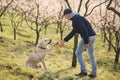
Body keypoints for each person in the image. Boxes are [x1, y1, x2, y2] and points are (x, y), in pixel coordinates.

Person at [59, 8, 97, 78]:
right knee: (91, 55)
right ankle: (94, 73)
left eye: (65, 16)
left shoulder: (76, 18)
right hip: (92, 36)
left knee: (78, 53)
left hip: (88, 37)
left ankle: (84, 71)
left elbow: (84, 30)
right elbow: (74, 31)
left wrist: (86, 42)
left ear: (68, 14)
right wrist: (64, 40)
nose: (65, 17)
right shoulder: (76, 18)